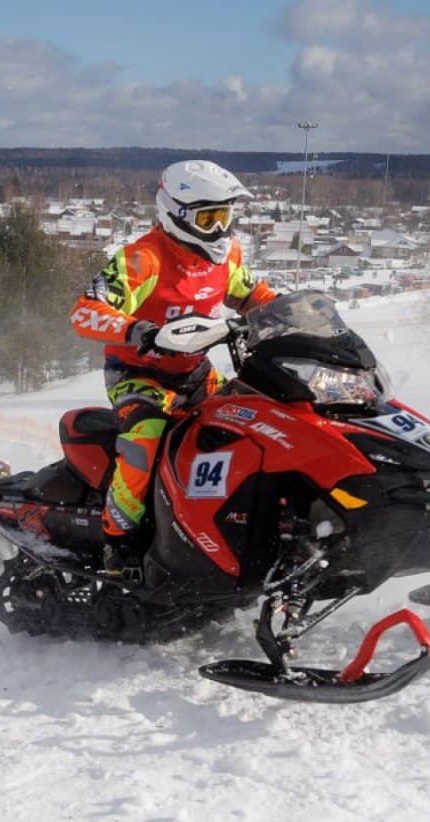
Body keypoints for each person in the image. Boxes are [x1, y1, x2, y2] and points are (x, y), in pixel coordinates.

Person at [69, 159, 278, 575]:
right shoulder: (143, 259)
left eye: (226, 216)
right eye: (210, 218)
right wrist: (140, 331)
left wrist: (289, 317)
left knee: (258, 422)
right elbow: (83, 311)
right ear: (176, 214)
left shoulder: (227, 257)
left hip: (197, 369)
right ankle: (119, 545)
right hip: (140, 376)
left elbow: (256, 296)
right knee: (144, 444)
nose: (220, 229)